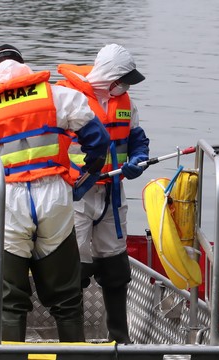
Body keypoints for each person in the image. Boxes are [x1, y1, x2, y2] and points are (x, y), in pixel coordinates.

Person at [0, 44, 110, 342]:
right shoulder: (57, 95)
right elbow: (97, 137)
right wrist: (88, 169)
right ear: (24, 66)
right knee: (66, 298)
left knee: (9, 298)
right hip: (54, 198)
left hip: (9, 202)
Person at [55, 44, 150, 344]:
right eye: (122, 78)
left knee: (115, 266)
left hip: (112, 193)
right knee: (75, 268)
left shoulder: (126, 103)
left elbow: (137, 139)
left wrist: (138, 160)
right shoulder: (65, 99)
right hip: (77, 193)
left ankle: (120, 339)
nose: (125, 85)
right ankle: (73, 342)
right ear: (109, 74)